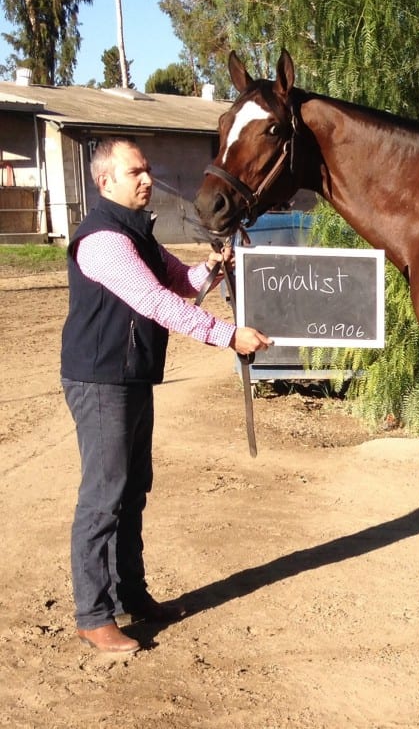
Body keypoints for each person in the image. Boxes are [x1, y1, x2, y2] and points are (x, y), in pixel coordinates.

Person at [60, 138, 272, 654]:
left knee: (133, 490)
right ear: (105, 181)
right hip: (101, 380)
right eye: (136, 171)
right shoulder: (103, 240)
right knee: (104, 497)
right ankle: (94, 613)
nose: (147, 179)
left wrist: (214, 266)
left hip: (130, 377)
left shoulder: (140, 234)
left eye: (148, 170)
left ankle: (133, 595)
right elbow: (155, 301)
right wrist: (227, 334)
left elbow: (180, 283)